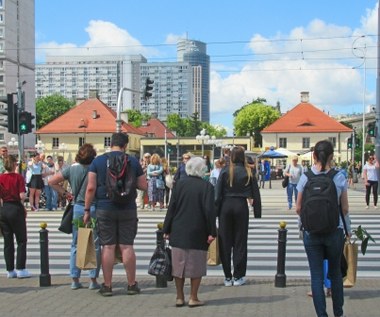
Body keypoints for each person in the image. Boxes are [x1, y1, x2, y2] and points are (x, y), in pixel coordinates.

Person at [83, 132, 147, 297]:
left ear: (111, 144)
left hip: (104, 208)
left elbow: (90, 188)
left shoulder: (98, 161)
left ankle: (108, 285)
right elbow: (143, 185)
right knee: (127, 246)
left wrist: (87, 209)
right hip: (128, 208)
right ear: (125, 145)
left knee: (108, 246)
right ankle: (132, 284)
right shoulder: (132, 161)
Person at [296, 140, 348, 317]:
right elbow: (345, 208)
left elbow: (298, 208)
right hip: (334, 231)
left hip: (311, 232)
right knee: (335, 273)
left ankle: (321, 315)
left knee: (316, 275)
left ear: (314, 156)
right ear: (332, 156)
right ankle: (338, 313)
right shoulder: (339, 177)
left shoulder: (306, 177)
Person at [163, 157, 217, 307]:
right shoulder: (207, 187)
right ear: (202, 170)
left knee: (178, 264)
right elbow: (209, 211)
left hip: (178, 228)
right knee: (196, 264)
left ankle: (179, 297)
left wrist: (166, 228)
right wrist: (212, 231)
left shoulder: (179, 185)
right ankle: (193, 297)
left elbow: (171, 208)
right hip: (198, 230)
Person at [49, 144, 101, 290]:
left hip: (77, 207)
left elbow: (51, 181)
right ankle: (93, 279)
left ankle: (75, 279)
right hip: (93, 208)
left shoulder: (71, 168)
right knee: (95, 244)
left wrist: (66, 194)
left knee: (76, 244)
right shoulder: (95, 169)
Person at [215, 146, 261, 287]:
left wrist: (215, 213)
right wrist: (257, 212)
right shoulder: (248, 171)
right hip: (241, 206)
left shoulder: (225, 171)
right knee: (240, 242)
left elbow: (217, 194)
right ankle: (238, 275)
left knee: (225, 242)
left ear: (232, 157)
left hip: (226, 206)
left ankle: (227, 276)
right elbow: (255, 193)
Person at [0, 155, 31, 278]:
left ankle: (10, 270)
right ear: (14, 165)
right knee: (21, 240)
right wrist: (22, 205)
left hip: (4, 209)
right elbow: (22, 196)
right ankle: (21, 268)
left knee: (8, 241)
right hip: (16, 208)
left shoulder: (1, 178)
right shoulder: (18, 178)